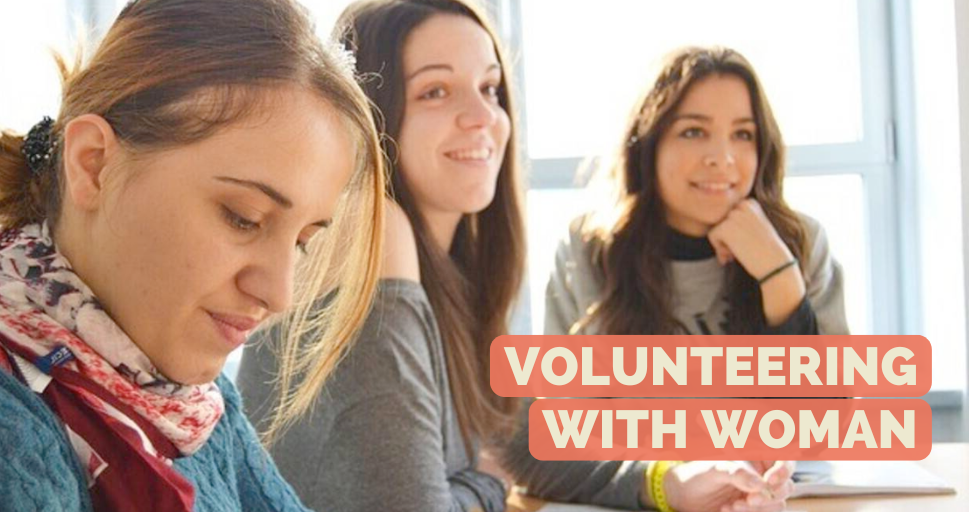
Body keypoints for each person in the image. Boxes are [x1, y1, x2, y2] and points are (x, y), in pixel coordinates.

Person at [0, 0, 386, 510]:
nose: (279, 294)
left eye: (303, 241)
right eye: (243, 217)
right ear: (94, 165)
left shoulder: (181, 397)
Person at [500, 46, 847, 512]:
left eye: (743, 134)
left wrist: (780, 282)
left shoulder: (798, 243)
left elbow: (828, 428)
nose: (722, 158)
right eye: (693, 132)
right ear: (648, 143)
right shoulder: (591, 248)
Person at [237, 1, 525, 511]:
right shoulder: (369, 227)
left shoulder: (451, 268)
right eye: (435, 91)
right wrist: (488, 486)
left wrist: (659, 481)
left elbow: (526, 437)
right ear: (373, 112)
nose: (484, 117)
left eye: (490, 88)